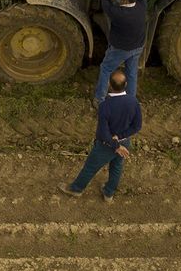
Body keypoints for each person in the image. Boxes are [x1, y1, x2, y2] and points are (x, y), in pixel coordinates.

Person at [60, 71, 141, 202]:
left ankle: (76, 189)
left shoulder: (105, 105)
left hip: (106, 145)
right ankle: (108, 193)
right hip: (125, 143)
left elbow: (104, 132)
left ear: (109, 84)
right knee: (116, 167)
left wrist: (116, 144)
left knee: (90, 167)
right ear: (126, 84)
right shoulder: (134, 102)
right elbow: (137, 126)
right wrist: (120, 138)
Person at [93, 0, 148, 105]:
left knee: (106, 68)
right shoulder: (141, 5)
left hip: (120, 49)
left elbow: (105, 2)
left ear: (124, 0)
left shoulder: (117, 13)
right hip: (137, 46)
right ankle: (130, 99)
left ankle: (100, 99)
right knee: (131, 72)